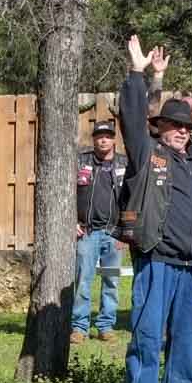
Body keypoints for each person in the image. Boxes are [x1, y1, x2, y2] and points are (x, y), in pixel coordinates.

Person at [114, 36, 192, 383]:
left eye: (187, 127)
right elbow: (131, 118)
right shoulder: (147, 154)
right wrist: (137, 74)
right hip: (158, 258)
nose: (182, 131)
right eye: (175, 125)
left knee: (189, 336)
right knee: (147, 333)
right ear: (160, 126)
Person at [73, 121, 126, 343]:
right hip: (87, 231)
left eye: (107, 136)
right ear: (93, 139)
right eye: (99, 136)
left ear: (114, 139)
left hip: (115, 233)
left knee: (111, 282)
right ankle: (79, 327)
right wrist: (72, 221)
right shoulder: (81, 161)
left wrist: (126, 231)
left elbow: (133, 197)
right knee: (82, 280)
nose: (103, 140)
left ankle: (106, 326)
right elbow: (67, 192)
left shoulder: (125, 163)